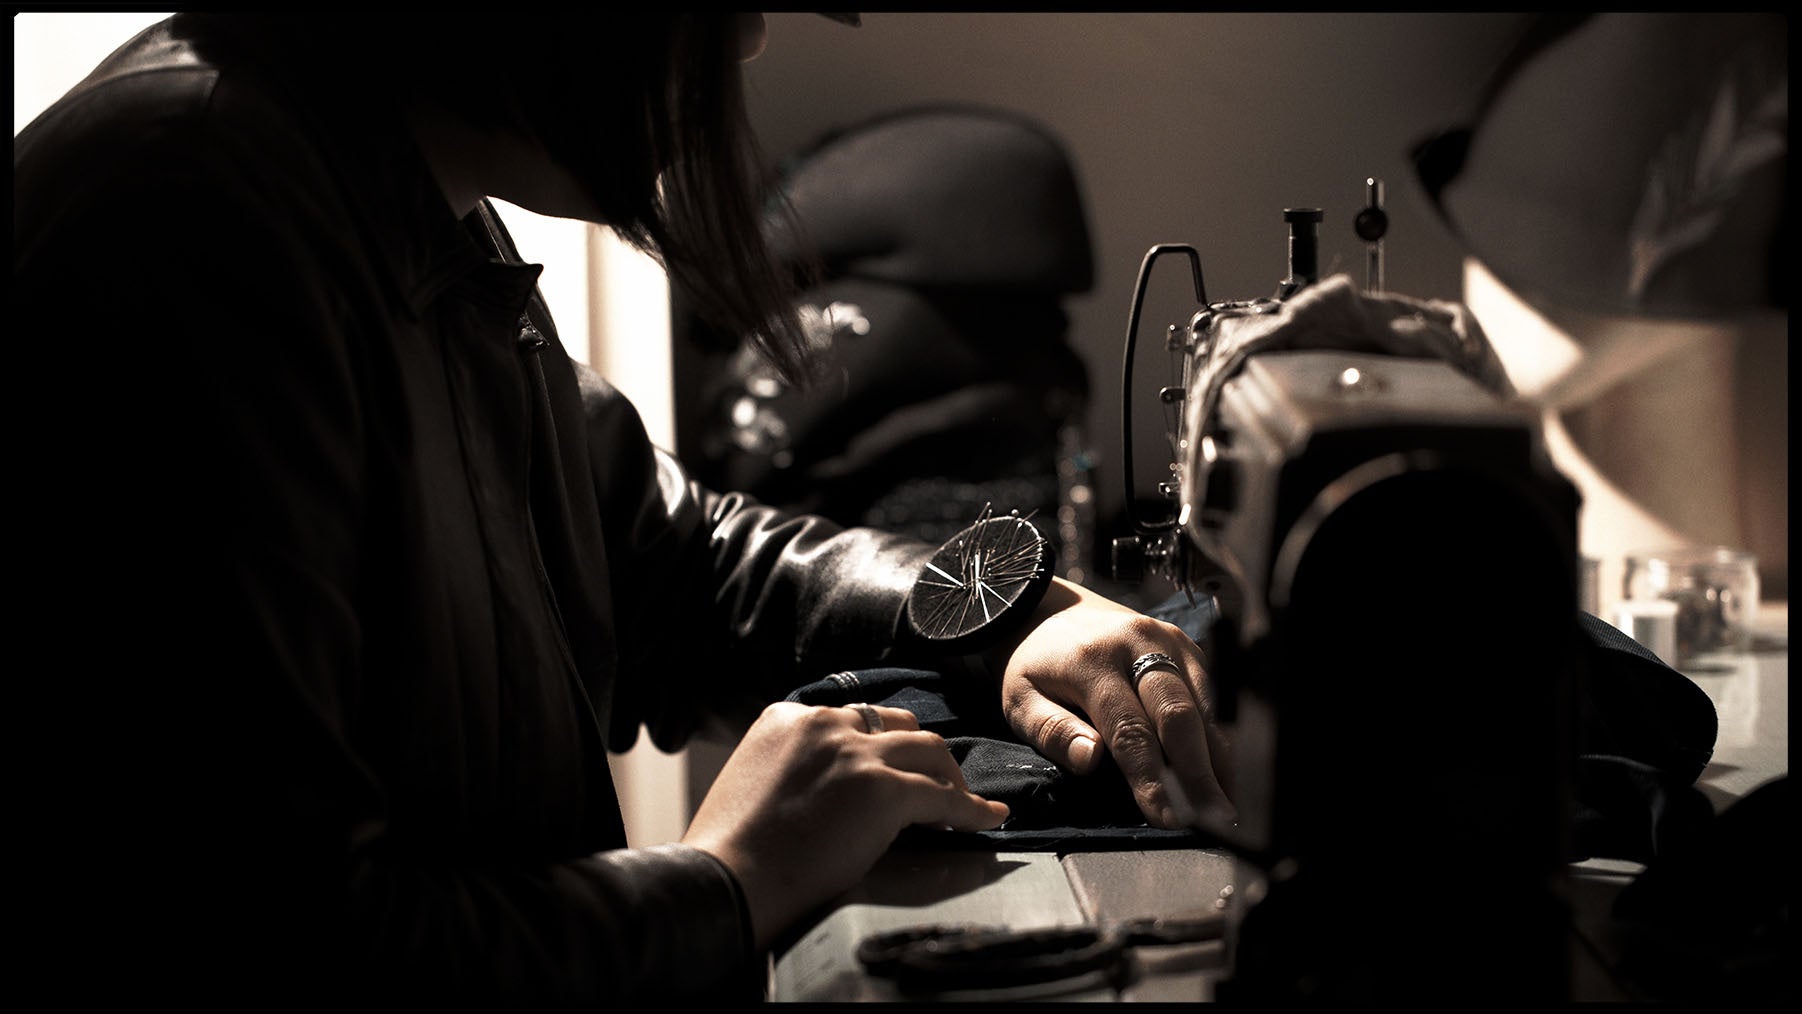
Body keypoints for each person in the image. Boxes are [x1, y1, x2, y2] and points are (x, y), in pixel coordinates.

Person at [15, 13, 1226, 1005]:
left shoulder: (394, 192)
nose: (746, 38)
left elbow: (675, 561)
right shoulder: (184, 221)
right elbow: (286, 945)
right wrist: (728, 878)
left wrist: (1002, 614)